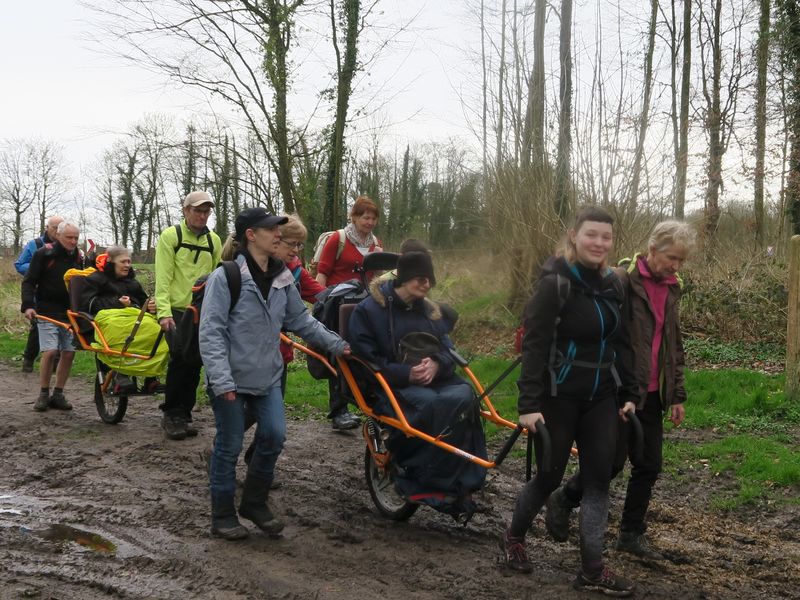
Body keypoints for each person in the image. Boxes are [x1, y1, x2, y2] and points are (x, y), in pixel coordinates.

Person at [499, 206, 637, 597]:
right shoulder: (555, 283)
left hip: (601, 398)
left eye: (606, 237)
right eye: (591, 234)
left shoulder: (615, 284)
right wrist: (528, 405)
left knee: (598, 480)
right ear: (574, 235)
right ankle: (513, 538)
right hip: (557, 398)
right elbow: (535, 346)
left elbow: (622, 343)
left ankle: (592, 569)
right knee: (548, 476)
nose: (599, 243)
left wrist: (629, 394)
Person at [545, 220, 695, 561]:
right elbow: (604, 331)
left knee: (649, 465)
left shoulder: (672, 288)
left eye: (681, 261)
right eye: (671, 258)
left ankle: (630, 534)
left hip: (655, 392)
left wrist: (677, 394)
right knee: (610, 463)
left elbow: (673, 343)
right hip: (620, 388)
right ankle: (564, 499)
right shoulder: (621, 280)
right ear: (652, 249)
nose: (675, 266)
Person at [199, 207, 350, 541]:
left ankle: (254, 503)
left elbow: (302, 321)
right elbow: (211, 333)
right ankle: (222, 515)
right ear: (251, 235)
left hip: (267, 377)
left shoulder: (282, 277)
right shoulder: (226, 277)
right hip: (231, 379)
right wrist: (221, 381)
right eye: (271, 229)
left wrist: (340, 345)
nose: (279, 234)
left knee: (274, 435)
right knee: (229, 445)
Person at [346, 251, 487, 514]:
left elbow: (448, 349)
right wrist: (406, 374)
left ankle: (461, 481)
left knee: (466, 396)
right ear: (404, 277)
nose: (427, 285)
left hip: (436, 381)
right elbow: (365, 358)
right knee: (433, 403)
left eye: (429, 280)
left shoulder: (430, 312)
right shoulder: (370, 310)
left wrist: (436, 363)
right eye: (421, 279)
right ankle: (420, 480)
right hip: (393, 385)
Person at [240, 214, 325, 467]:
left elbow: (318, 294)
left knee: (270, 414)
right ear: (275, 241)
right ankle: (226, 446)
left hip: (279, 355)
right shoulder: (246, 271)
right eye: (293, 244)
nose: (297, 251)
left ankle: (257, 460)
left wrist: (345, 295)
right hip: (249, 356)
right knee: (251, 411)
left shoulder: (295, 270)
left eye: (300, 245)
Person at [155, 190, 222, 440]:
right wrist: (163, 313)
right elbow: (163, 277)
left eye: (206, 212)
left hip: (200, 309)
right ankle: (172, 413)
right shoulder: (171, 236)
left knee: (195, 361)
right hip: (175, 309)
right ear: (186, 211)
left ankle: (183, 412)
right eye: (197, 210)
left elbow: (217, 278)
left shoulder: (213, 240)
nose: (202, 216)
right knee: (180, 359)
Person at [315, 195, 383, 430]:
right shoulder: (339, 239)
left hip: (363, 308)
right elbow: (322, 273)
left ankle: (368, 404)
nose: (370, 222)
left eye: (374, 218)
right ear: (354, 217)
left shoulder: (376, 246)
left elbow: (376, 278)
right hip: (336, 306)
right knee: (338, 353)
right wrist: (321, 303)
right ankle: (338, 411)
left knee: (363, 354)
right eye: (366, 217)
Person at [78, 245, 163, 393]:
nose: (127, 265)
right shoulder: (95, 280)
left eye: (129, 262)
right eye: (123, 262)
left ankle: (151, 378)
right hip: (106, 321)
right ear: (111, 261)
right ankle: (120, 374)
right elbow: (88, 304)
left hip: (133, 318)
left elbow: (142, 303)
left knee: (156, 330)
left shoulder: (133, 283)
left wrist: (149, 306)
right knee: (122, 330)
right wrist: (117, 303)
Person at [20, 219, 85, 412]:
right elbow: (29, 281)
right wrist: (28, 306)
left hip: (70, 312)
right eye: (69, 238)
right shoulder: (44, 254)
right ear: (58, 236)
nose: (73, 242)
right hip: (47, 311)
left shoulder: (79, 257)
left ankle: (58, 393)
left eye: (76, 238)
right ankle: (43, 393)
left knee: (68, 352)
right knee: (49, 352)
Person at [15, 215, 64, 372]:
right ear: (47, 228)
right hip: (38, 292)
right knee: (37, 326)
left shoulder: (67, 246)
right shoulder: (34, 244)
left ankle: (56, 362)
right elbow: (19, 264)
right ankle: (29, 359)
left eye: (60, 227)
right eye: (54, 227)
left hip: (59, 295)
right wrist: (38, 268)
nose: (57, 230)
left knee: (61, 326)